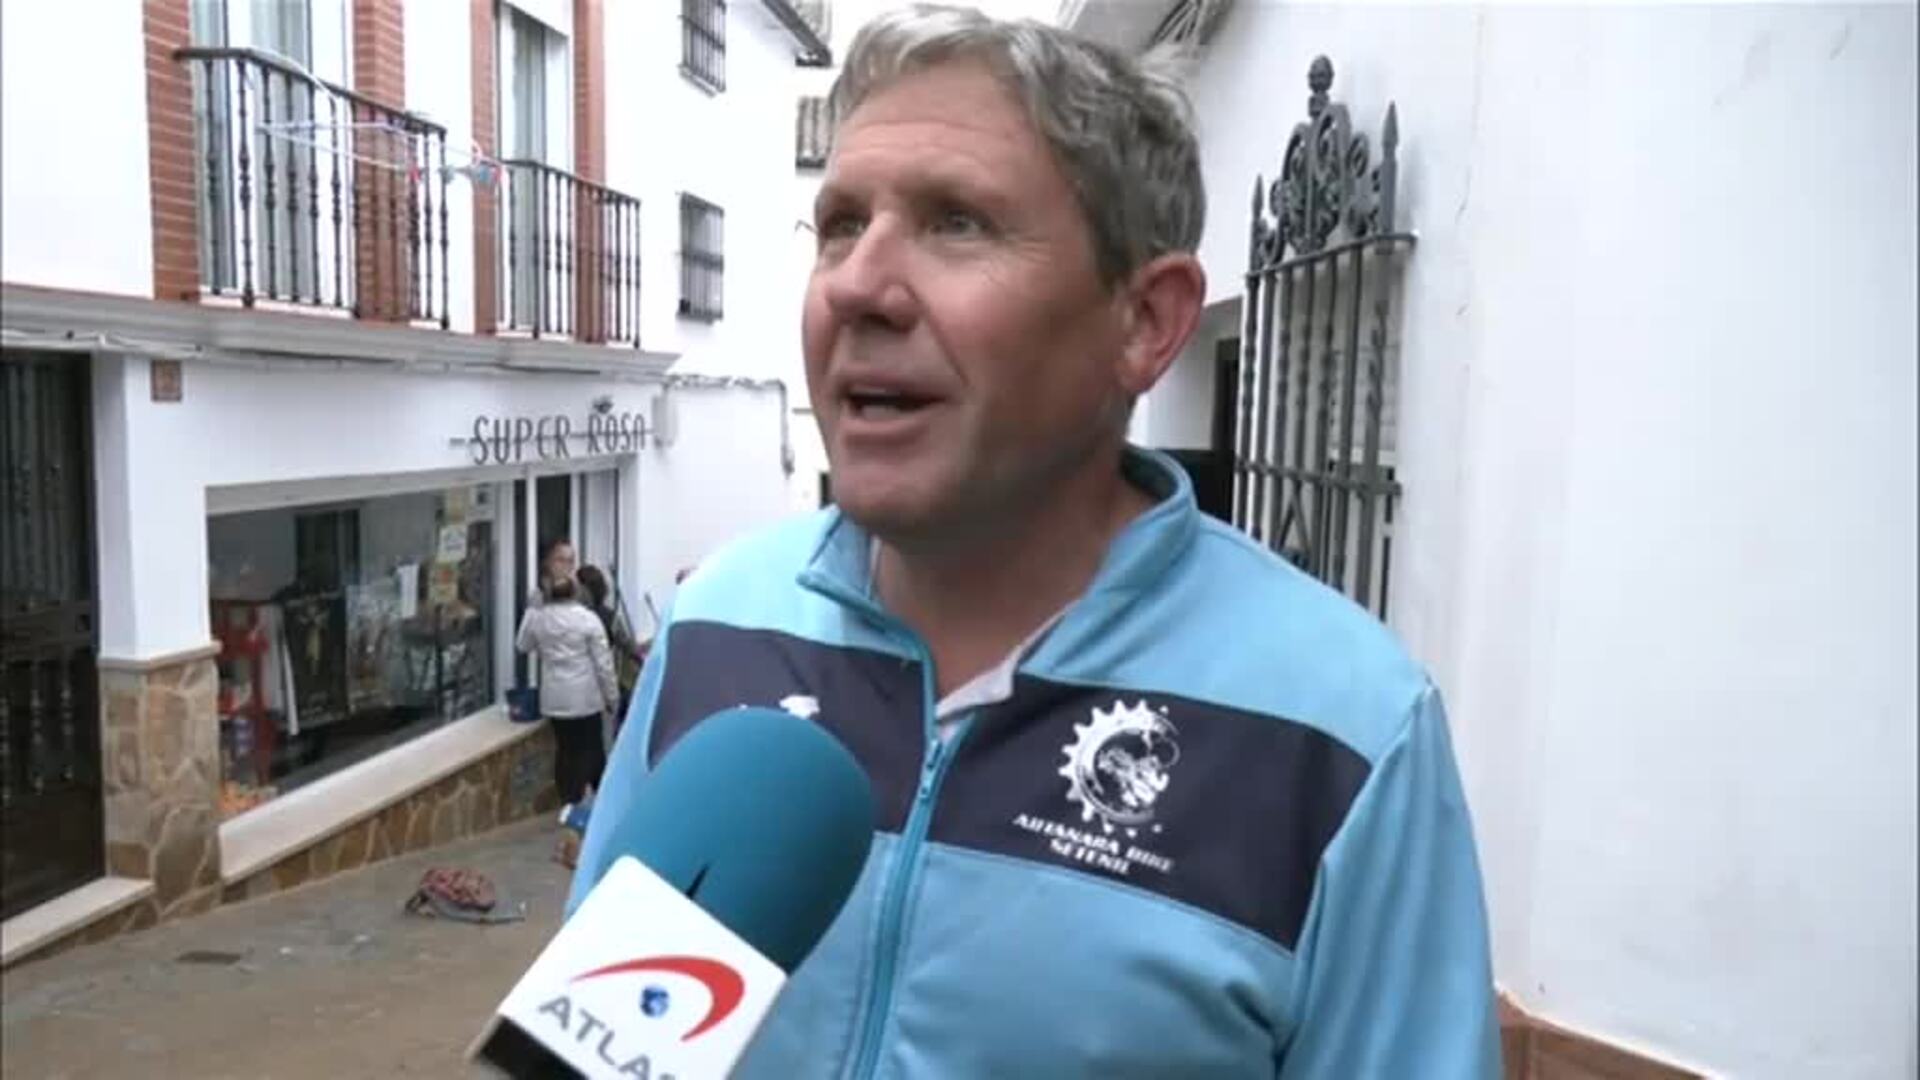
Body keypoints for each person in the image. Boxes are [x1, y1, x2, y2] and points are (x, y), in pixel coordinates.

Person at [571, 6, 1498, 1076]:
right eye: (839, 224)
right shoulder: (721, 624)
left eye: (957, 222)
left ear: (1146, 323)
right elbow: (606, 1054)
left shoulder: (1347, 733)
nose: (859, 286)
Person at [514, 574, 616, 809]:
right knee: (591, 748)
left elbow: (522, 645)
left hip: (555, 698)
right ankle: (595, 802)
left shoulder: (540, 619)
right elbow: (604, 663)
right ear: (575, 593)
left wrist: (532, 610)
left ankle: (568, 802)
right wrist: (612, 696)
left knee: (566, 750)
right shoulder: (588, 620)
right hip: (585, 697)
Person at [575, 564, 644, 736]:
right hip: (600, 686)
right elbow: (628, 646)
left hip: (587, 687)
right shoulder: (609, 616)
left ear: (586, 589)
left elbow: (628, 646)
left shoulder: (576, 617)